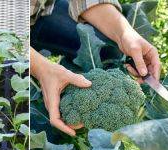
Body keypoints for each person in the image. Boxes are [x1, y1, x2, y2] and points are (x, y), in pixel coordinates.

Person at [31, 0, 161, 136]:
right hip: (9, 31)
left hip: (42, 9)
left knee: (110, 48)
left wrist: (123, 33)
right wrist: (41, 69)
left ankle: (68, 71)